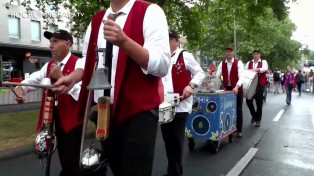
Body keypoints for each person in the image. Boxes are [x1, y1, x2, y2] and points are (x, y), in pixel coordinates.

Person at [52, 0, 171, 175]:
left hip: (138, 112)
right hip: (104, 112)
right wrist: (72, 77)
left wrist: (124, 42)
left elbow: (162, 65)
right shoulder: (97, 20)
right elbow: (89, 60)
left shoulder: (150, 11)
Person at [15, 30, 84, 176]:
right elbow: (30, 81)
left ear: (68, 44)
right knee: (56, 156)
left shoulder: (79, 63)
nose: (51, 45)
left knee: (72, 161)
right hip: (53, 117)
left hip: (74, 120)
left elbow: (82, 91)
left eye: (55, 41)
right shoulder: (48, 66)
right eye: (50, 42)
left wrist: (62, 76)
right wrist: (20, 90)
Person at [161, 30, 205, 176]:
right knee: (167, 139)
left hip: (181, 105)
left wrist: (191, 86)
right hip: (165, 104)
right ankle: (173, 171)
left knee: (176, 139)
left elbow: (200, 73)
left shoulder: (185, 55)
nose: (165, 43)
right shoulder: (162, 56)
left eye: (168, 40)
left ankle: (174, 173)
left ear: (176, 41)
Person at [215, 47, 244, 138]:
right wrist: (216, 83)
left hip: (237, 88)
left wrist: (236, 87)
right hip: (226, 89)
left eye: (230, 51)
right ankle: (228, 129)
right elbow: (217, 75)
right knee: (226, 109)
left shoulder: (238, 62)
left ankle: (239, 130)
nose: (228, 53)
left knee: (238, 109)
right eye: (227, 51)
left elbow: (241, 77)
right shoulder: (222, 63)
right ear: (225, 53)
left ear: (233, 53)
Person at [244, 50, 268, 127]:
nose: (256, 55)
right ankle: (254, 115)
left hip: (260, 84)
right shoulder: (249, 63)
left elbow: (264, 69)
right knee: (248, 101)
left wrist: (256, 69)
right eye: (254, 54)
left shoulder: (263, 62)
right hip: (250, 84)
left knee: (259, 102)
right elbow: (244, 71)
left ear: (259, 55)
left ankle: (258, 120)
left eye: (257, 54)